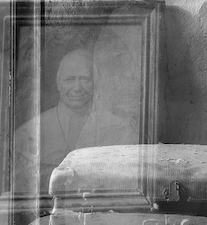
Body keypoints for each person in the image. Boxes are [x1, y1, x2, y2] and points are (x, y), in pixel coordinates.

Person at [10, 46, 138, 195]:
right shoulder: (29, 132)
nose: (77, 88)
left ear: (95, 82)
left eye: (84, 79)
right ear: (58, 83)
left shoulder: (119, 128)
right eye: (69, 79)